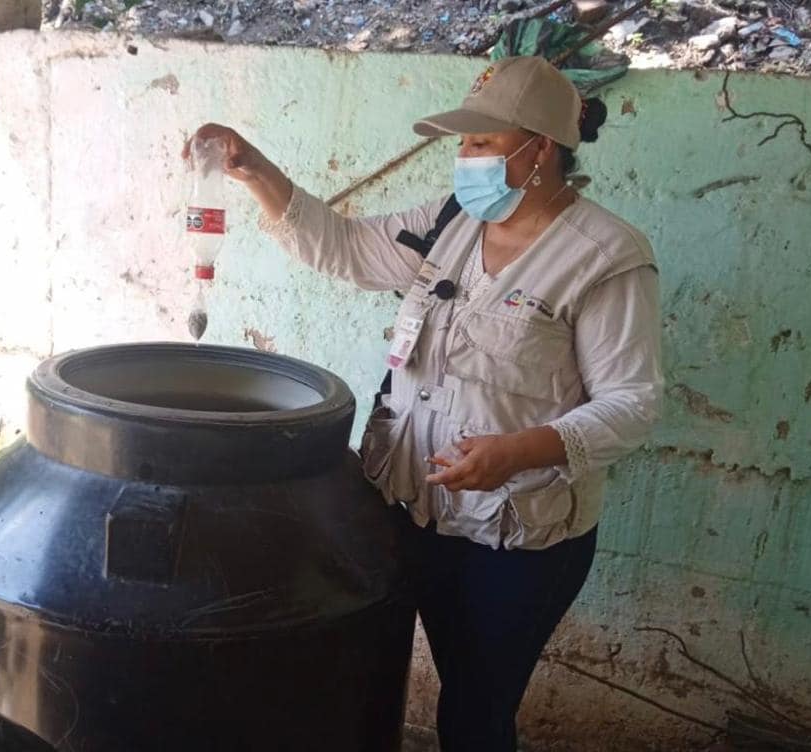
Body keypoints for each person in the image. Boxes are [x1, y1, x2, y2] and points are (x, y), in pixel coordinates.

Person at [183, 55, 663, 751]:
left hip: (514, 538)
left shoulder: (606, 257)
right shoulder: (451, 222)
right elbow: (346, 247)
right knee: (383, 676)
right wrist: (252, 167)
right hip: (414, 508)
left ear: (541, 151)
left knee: (475, 712)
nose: (465, 158)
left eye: (483, 143)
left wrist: (517, 451)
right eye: (462, 142)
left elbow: (632, 402)